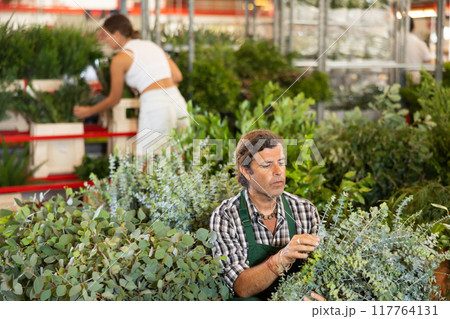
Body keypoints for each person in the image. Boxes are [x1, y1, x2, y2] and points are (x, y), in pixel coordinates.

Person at [210, 129, 325, 301]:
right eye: (266, 165)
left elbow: (321, 271)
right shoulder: (226, 216)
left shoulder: (305, 210)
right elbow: (240, 287)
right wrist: (282, 258)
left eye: (281, 162)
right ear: (246, 172)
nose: (278, 171)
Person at [73, 13, 190, 136]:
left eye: (106, 35)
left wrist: (89, 111)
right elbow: (177, 76)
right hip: (177, 101)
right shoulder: (153, 46)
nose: (104, 40)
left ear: (117, 35)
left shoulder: (119, 59)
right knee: (180, 152)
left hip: (155, 105)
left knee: (147, 154)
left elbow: (114, 99)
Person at [406, 19, 433, 84]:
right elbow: (428, 63)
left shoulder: (395, 42)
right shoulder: (420, 43)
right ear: (414, 26)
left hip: (396, 77)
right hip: (415, 78)